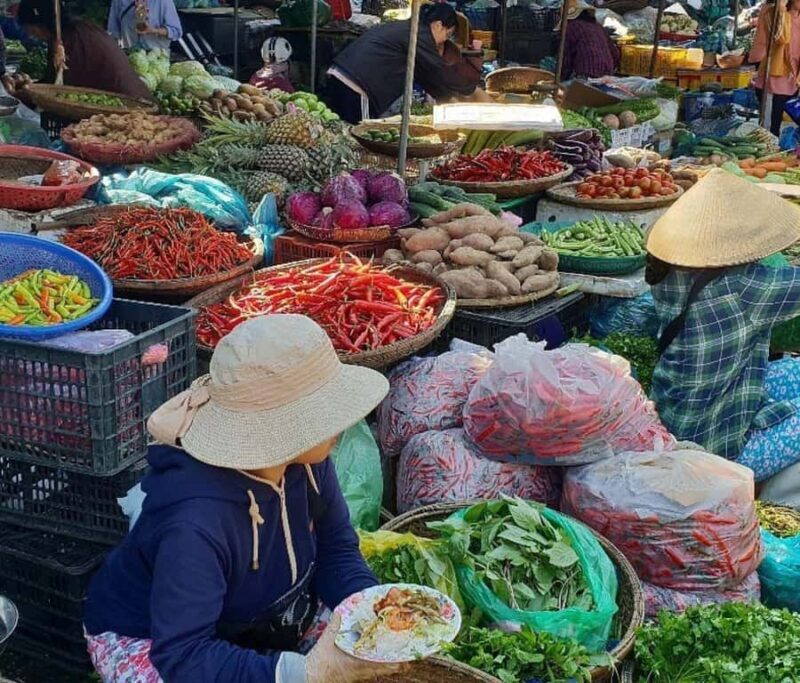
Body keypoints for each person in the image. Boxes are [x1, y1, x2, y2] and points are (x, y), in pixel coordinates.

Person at [83, 315, 404, 683]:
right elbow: (184, 655)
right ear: (281, 427)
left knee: (363, 652)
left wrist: (373, 611)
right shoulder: (195, 523)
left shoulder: (307, 463)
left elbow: (338, 551)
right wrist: (309, 672)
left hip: (256, 617)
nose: (342, 422)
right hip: (155, 638)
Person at [646, 168, 800, 506]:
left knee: (794, 372)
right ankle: (763, 498)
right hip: (716, 454)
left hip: (672, 419)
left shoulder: (670, 273)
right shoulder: (746, 289)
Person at [328, 3, 489, 124]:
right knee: (359, 135)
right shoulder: (420, 35)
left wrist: (447, 99)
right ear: (438, 25)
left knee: (342, 133)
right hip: (356, 84)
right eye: (448, 34)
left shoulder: (411, 30)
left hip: (341, 74)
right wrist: (472, 90)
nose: (445, 41)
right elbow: (439, 72)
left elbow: (426, 76)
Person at [17, 0, 151, 99]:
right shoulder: (74, 32)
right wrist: (28, 90)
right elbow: (52, 80)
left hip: (132, 110)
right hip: (130, 102)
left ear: (41, 25)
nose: (33, 36)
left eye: (33, 31)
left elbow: (61, 92)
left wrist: (28, 94)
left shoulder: (71, 41)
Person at [749, 0, 800, 136]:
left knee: (788, 125)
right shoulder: (772, 13)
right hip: (774, 80)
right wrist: (781, 8)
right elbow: (781, 38)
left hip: (793, 79)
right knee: (770, 130)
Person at [557, 0, 620, 81]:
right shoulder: (597, 26)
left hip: (586, 74)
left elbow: (566, 59)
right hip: (607, 74)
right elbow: (615, 53)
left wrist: (560, 78)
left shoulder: (571, 27)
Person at [108, 0, 182, 52]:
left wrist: (154, 30)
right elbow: (113, 31)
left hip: (157, 59)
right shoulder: (119, 1)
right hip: (128, 57)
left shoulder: (163, 1)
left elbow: (176, 31)